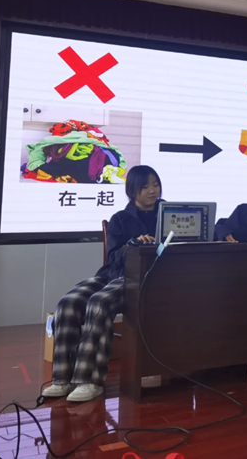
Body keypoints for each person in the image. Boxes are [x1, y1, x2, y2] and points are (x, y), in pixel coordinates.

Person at [42, 165, 163, 402]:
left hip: (142, 278)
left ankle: (90, 380)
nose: (152, 190)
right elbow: (114, 257)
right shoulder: (120, 219)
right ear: (132, 190)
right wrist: (132, 244)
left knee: (99, 303)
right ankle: (63, 378)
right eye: (145, 186)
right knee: (68, 303)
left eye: (156, 184)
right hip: (113, 274)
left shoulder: (171, 214)